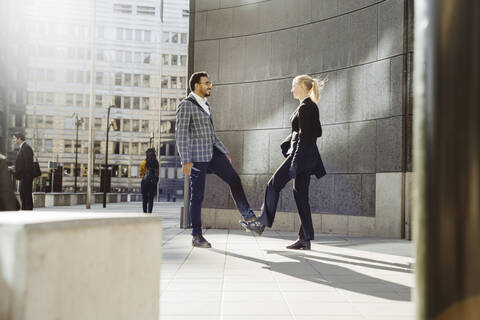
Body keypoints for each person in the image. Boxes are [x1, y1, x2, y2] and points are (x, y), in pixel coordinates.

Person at [241, 75, 327, 250]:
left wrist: (294, 161)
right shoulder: (308, 106)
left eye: (294, 85)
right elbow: (313, 132)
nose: (291, 89)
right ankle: (305, 238)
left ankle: (262, 223)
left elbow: (307, 136)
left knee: (273, 185)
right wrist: (290, 139)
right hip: (306, 157)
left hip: (300, 157)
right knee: (301, 197)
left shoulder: (306, 107)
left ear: (303, 86)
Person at [176, 71, 257, 248]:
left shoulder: (206, 105)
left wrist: (224, 151)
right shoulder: (186, 105)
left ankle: (248, 216)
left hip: (213, 154)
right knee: (197, 196)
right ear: (196, 85)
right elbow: (181, 134)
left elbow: (212, 134)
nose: (210, 85)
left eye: (209, 82)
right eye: (206, 83)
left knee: (234, 179)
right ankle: (196, 235)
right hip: (197, 157)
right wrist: (186, 160)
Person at [12, 133, 34, 210]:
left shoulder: (26, 148)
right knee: (23, 194)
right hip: (24, 176)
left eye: (14, 138)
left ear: (20, 139)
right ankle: (26, 210)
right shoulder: (23, 148)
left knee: (26, 195)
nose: (13, 140)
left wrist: (19, 170)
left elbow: (28, 164)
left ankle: (27, 211)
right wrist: (16, 168)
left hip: (26, 176)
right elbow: (23, 163)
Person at [140, 148, 159, 213]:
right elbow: (158, 173)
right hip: (153, 183)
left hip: (145, 182)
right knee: (151, 199)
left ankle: (144, 212)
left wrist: (144, 176)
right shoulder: (156, 163)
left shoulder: (143, 163)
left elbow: (140, 173)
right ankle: (149, 212)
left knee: (144, 199)